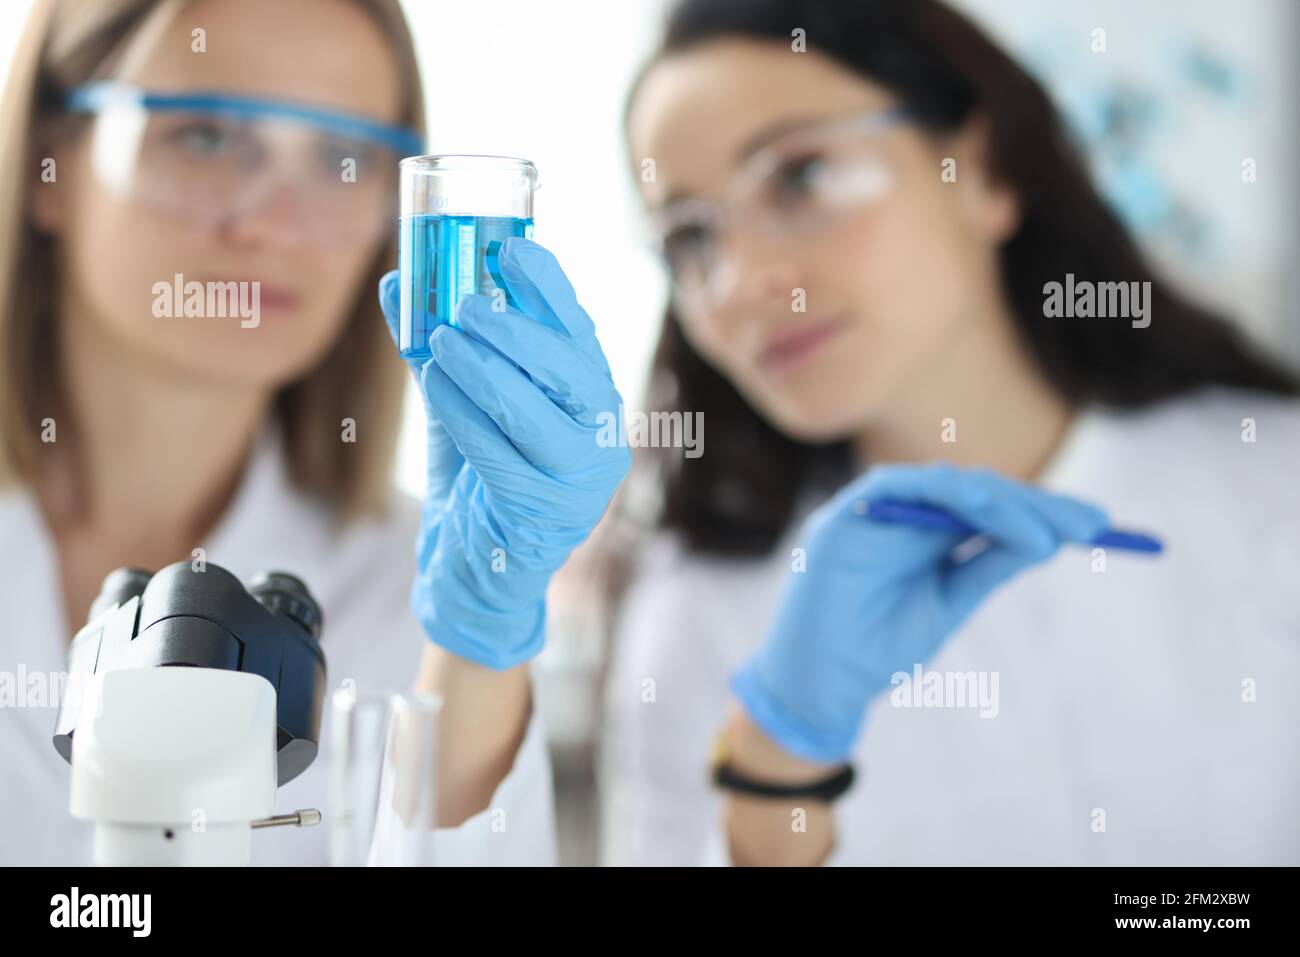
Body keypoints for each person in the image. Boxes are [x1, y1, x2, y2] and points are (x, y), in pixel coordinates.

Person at [594, 0, 1300, 866]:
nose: (741, 282)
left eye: (801, 176)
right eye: (692, 237)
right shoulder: (700, 613)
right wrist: (777, 759)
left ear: (987, 172)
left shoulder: (1277, 484)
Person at [0, 0, 626, 866]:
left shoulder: (424, 582)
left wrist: (474, 638)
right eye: (209, 137)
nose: (276, 224)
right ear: (47, 162)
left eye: (340, 160)